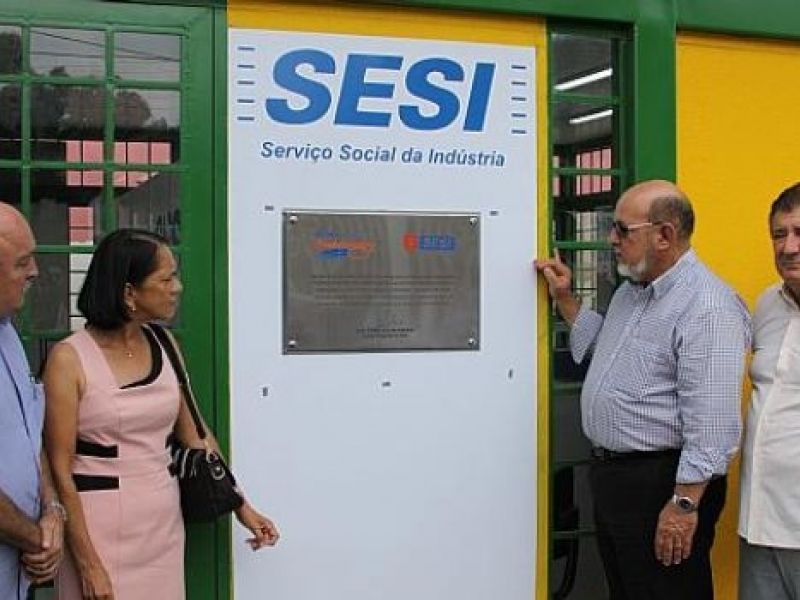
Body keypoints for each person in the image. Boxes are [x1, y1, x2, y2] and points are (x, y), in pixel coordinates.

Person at [534, 180, 750, 600]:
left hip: (663, 485)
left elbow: (714, 425)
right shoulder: (632, 293)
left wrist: (684, 505)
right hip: (617, 480)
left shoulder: (707, 307)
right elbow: (605, 351)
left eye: (622, 229)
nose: (611, 239)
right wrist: (566, 299)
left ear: (664, 235)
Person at [44, 228, 279, 599]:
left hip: (162, 523)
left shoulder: (165, 343)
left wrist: (241, 505)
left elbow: (195, 434)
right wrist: (88, 564)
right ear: (129, 293)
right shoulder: (69, 359)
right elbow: (59, 470)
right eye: (166, 279)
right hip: (97, 528)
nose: (177, 288)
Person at [738, 183, 800, 599]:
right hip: (758, 524)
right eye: (779, 234)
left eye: (799, 232)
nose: (789, 247)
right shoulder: (766, 305)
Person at [0, 202, 64, 599]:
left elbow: (30, 437)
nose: (35, 272)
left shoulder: (10, 334)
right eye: (22, 263)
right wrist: (34, 536)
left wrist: (52, 509)